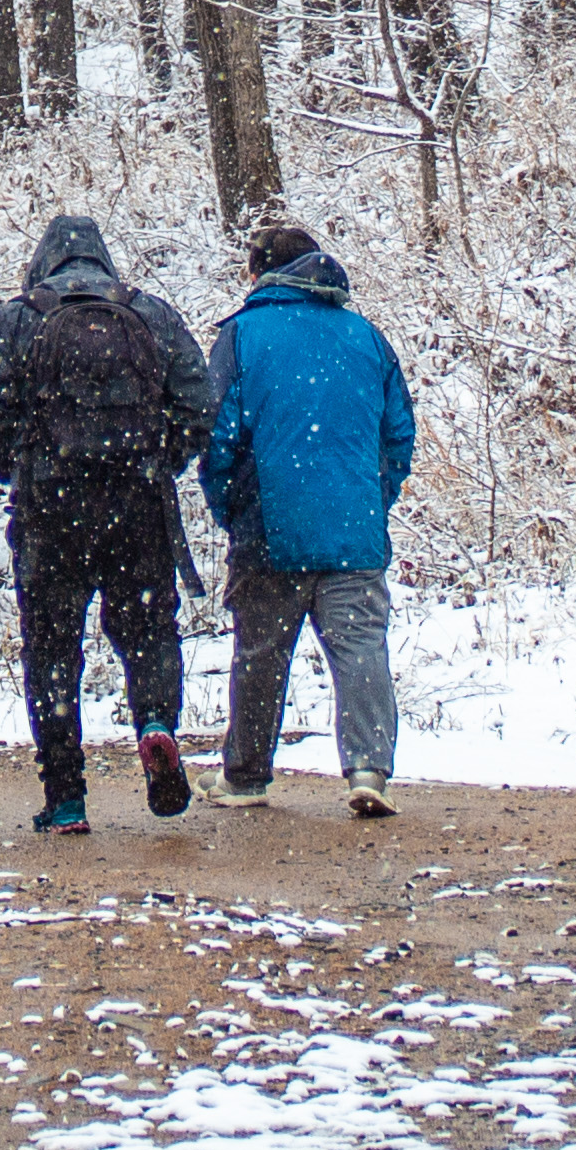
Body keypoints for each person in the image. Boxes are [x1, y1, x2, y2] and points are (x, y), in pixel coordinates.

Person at [0, 212, 213, 833]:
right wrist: (159, 460)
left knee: (51, 647)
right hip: (138, 504)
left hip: (52, 510)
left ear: (43, 262)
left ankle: (66, 794)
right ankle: (155, 723)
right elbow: (200, 403)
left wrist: (24, 465)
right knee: (149, 627)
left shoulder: (19, 318)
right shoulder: (148, 313)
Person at [201, 219, 417, 819]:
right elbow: (399, 432)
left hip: (271, 526)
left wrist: (231, 508)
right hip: (354, 527)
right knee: (359, 649)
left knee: (262, 652)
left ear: (261, 271)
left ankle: (246, 776)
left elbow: (215, 437)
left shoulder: (243, 336)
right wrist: (373, 497)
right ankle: (369, 769)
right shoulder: (367, 337)